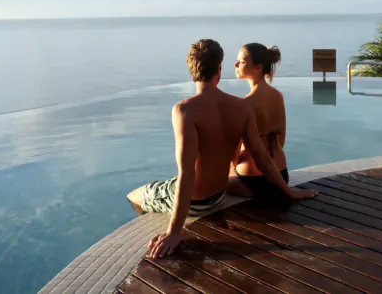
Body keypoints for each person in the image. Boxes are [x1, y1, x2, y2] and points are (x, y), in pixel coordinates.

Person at [126, 39, 317, 259]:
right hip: (220, 196)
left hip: (197, 203)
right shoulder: (241, 107)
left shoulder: (184, 110)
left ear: (191, 70)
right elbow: (262, 157)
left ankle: (151, 239)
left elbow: (187, 174)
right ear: (219, 68)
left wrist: (174, 232)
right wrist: (288, 190)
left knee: (134, 195)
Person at [228, 43, 290, 199]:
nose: (235, 65)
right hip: (281, 175)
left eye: (241, 62)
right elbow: (281, 140)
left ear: (258, 67)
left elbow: (233, 152)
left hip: (252, 180)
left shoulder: (244, 104)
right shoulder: (278, 96)